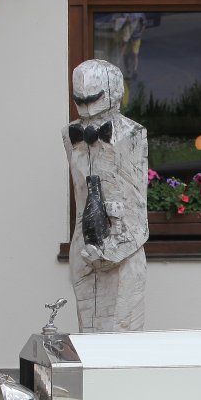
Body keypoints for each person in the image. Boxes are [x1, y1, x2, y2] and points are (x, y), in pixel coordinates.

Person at [64, 58, 149, 332]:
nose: (87, 106)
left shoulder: (131, 134)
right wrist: (83, 251)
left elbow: (137, 212)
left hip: (122, 253)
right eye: (80, 98)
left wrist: (111, 251)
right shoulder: (69, 135)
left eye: (93, 97)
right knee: (88, 334)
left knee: (120, 338)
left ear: (115, 91)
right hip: (83, 251)